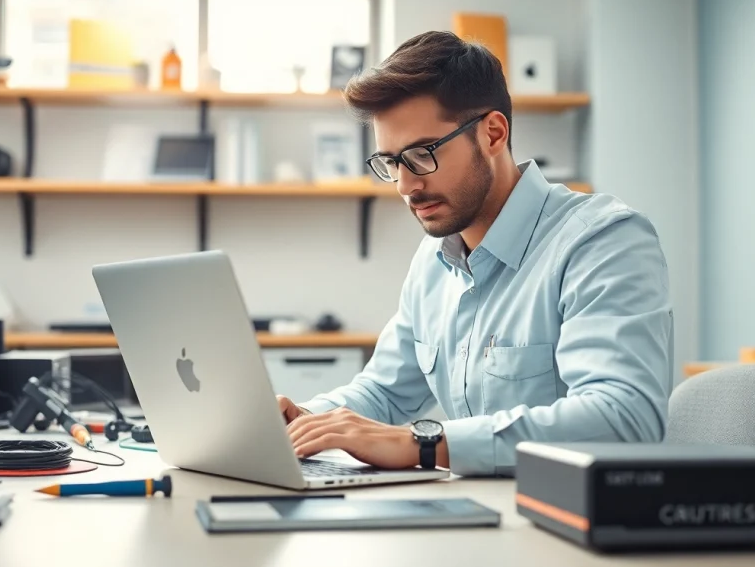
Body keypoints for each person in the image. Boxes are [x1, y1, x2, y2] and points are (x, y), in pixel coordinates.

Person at [279, 31, 673, 477]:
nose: (406, 186)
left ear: (493, 133)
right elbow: (384, 393)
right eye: (391, 162)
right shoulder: (433, 262)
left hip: (568, 528)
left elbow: (624, 418)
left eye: (421, 154)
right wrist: (303, 421)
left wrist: (423, 444)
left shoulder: (603, 241)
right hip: (474, 514)